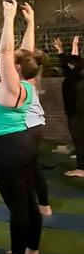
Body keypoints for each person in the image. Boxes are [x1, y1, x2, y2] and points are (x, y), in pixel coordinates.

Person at [0, 0, 42, 254]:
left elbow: (6, 51)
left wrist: (8, 17)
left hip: (7, 149)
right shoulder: (29, 84)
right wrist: (29, 23)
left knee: (17, 205)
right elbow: (24, 53)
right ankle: (32, 249)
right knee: (29, 199)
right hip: (23, 144)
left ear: (15, 68)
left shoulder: (11, 87)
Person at [18, 5, 52, 216]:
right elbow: (26, 50)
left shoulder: (17, 79)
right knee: (31, 165)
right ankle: (44, 205)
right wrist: (30, 22)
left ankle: (33, 207)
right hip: (36, 126)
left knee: (26, 168)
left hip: (27, 128)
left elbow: (24, 51)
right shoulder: (29, 75)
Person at [53, 36, 84, 178]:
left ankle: (81, 169)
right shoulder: (77, 75)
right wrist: (73, 44)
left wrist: (61, 50)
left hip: (77, 115)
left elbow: (68, 63)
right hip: (76, 114)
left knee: (79, 140)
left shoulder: (72, 79)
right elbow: (71, 62)